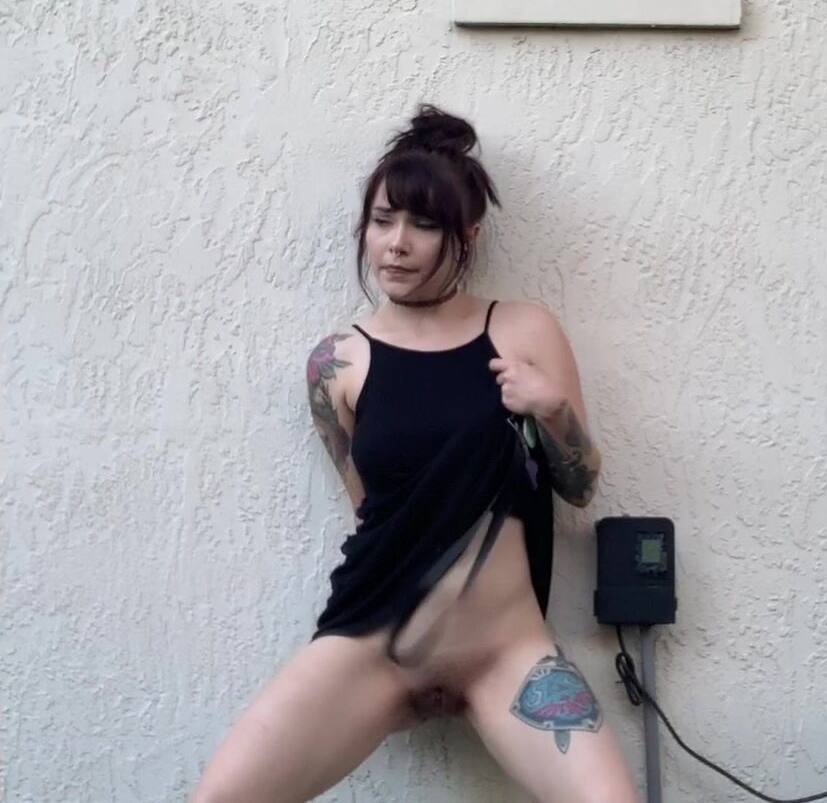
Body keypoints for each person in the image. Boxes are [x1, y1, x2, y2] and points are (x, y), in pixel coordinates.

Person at [192, 105, 640, 803]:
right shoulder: (336, 364)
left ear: (468, 235)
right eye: (382, 221)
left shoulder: (523, 330)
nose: (396, 245)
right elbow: (371, 510)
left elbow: (579, 488)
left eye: (423, 225)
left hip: (507, 657)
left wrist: (552, 409)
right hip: (374, 644)